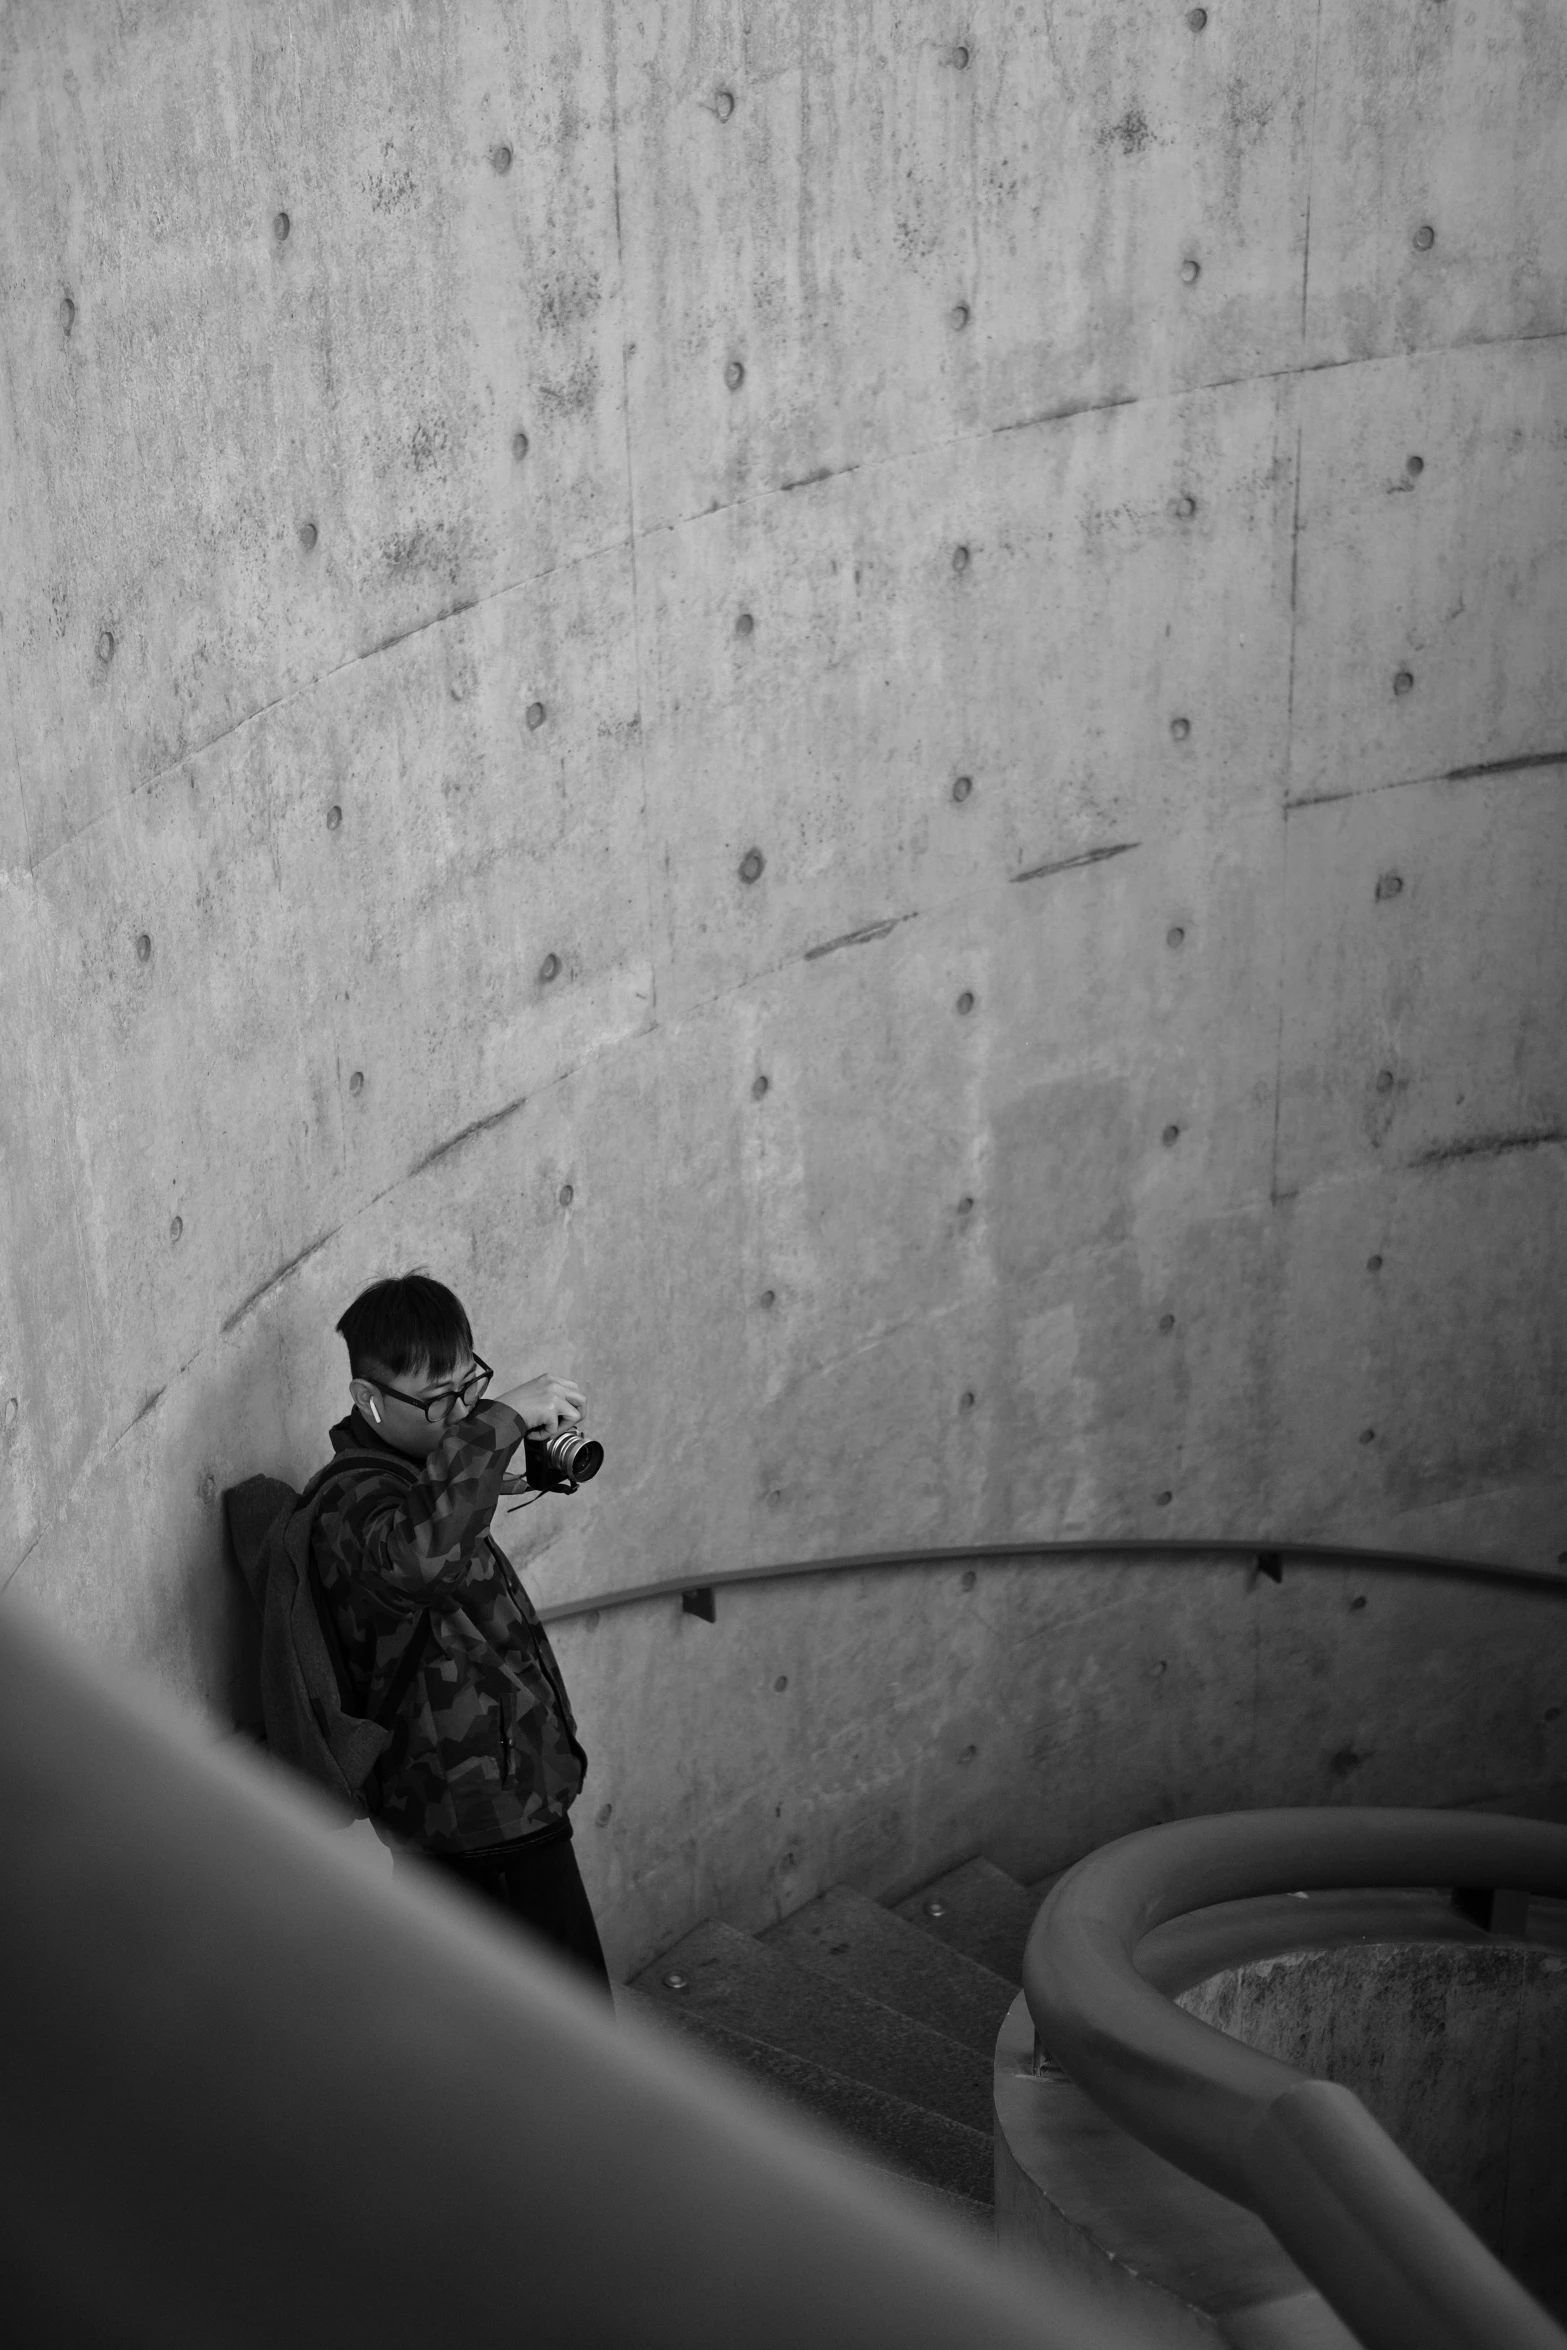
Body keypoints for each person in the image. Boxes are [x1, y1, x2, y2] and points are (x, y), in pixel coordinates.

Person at [312, 1268, 612, 2000]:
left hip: (493, 1806)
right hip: (472, 1821)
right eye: (436, 1397)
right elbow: (415, 1560)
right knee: (566, 2042)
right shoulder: (352, 1500)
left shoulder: (422, 1477)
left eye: (469, 1387)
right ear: (367, 1399)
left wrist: (491, 1469)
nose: (457, 1411)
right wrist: (497, 1422)